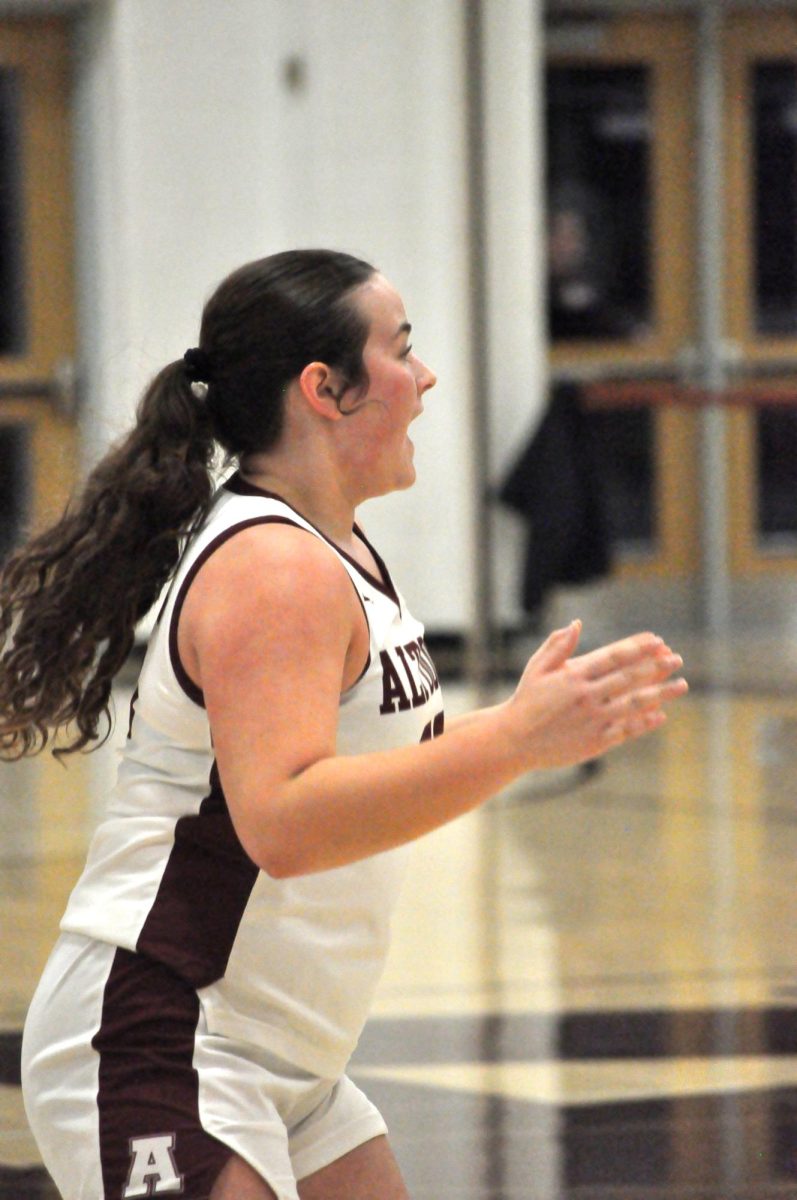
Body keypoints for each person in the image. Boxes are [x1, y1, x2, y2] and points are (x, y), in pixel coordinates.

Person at [1, 249, 687, 1200]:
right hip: (162, 1033)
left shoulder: (336, 549)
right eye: (401, 350)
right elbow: (282, 823)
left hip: (286, 1051)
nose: (425, 377)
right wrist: (516, 739)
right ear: (324, 389)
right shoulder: (270, 569)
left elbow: (357, 773)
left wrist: (519, 723)